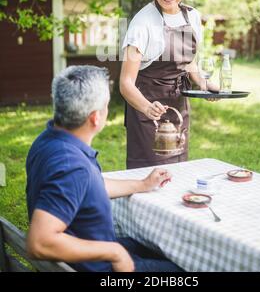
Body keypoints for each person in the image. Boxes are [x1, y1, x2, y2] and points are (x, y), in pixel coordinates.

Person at [26, 65, 182, 272]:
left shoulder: (48, 140)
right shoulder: (71, 166)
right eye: (106, 105)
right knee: (186, 270)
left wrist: (143, 184)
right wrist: (114, 253)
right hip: (98, 267)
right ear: (95, 118)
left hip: (89, 252)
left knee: (162, 247)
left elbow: (87, 186)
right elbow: (40, 242)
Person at [120, 0, 218, 169]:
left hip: (178, 107)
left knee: (178, 170)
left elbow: (188, 63)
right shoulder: (142, 23)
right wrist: (147, 107)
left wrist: (204, 84)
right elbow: (125, 83)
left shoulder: (192, 16)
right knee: (150, 176)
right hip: (146, 109)